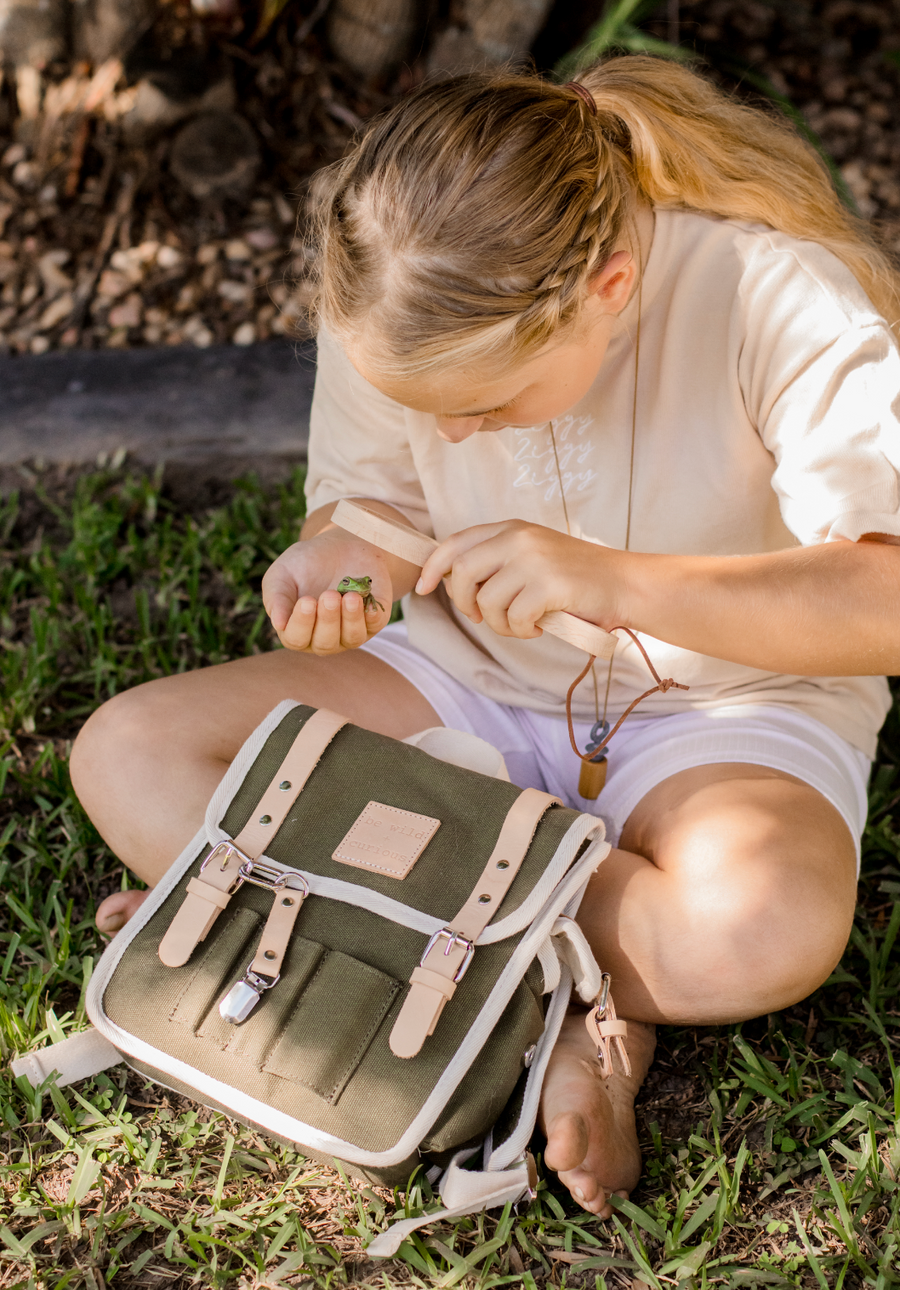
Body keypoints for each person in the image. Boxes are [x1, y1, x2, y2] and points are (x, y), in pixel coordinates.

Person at [71, 56, 900, 1220]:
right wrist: (342, 559)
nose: (455, 432)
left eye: (487, 407)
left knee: (756, 925)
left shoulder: (776, 296)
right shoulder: (400, 296)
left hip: (734, 711)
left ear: (609, 286)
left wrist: (617, 584)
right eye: (429, 410)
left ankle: (326, 909)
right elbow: (372, 507)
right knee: (129, 750)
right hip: (466, 687)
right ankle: (569, 1006)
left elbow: (885, 600)